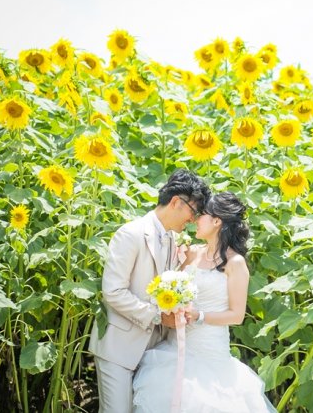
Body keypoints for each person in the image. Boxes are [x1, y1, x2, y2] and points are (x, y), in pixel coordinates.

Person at [132, 191, 276, 412]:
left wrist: (200, 316)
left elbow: (236, 315)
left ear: (217, 221)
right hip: (175, 347)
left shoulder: (235, 263)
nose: (195, 219)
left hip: (210, 352)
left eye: (202, 215)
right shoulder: (190, 254)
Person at [89, 169, 210, 412]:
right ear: (176, 201)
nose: (193, 219)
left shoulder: (175, 241)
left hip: (154, 351)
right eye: (193, 211)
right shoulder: (131, 234)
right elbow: (113, 291)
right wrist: (156, 315)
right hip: (119, 348)